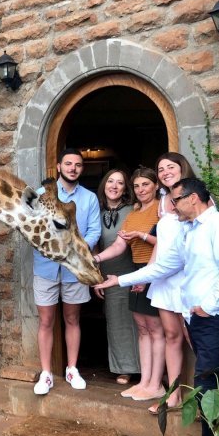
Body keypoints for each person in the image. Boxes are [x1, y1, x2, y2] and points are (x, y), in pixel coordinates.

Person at [93, 178, 219, 436]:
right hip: (197, 317)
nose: (173, 207)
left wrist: (208, 306)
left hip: (213, 319)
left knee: (207, 389)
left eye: (176, 200)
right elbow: (163, 266)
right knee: (206, 386)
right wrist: (118, 280)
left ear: (193, 198)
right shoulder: (190, 230)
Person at [32, 148, 101, 395]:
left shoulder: (90, 198)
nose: (73, 168)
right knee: (46, 321)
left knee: (72, 319)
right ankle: (46, 373)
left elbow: (95, 231)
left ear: (82, 169)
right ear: (59, 166)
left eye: (78, 165)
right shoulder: (41, 195)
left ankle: (72, 368)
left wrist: (76, 248)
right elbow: (30, 227)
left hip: (75, 269)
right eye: (68, 164)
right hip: (45, 268)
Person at [92, 168, 162, 401]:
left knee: (158, 330)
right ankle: (146, 382)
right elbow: (118, 245)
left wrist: (141, 238)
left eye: (146, 185)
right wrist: (95, 261)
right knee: (143, 327)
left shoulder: (161, 207)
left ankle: (158, 383)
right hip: (131, 275)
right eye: (138, 186)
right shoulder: (132, 214)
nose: (141, 190)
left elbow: (166, 242)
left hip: (147, 272)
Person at [144, 152, 197, 413]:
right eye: (161, 168)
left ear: (182, 168)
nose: (165, 171)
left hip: (187, 279)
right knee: (172, 336)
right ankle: (173, 396)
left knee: (194, 338)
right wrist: (147, 273)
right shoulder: (162, 201)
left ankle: (203, 398)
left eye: (170, 167)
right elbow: (161, 244)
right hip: (164, 279)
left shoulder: (197, 195)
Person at [94, 169, 140, 385]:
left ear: (125, 188)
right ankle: (124, 367)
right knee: (116, 322)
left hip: (131, 272)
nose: (114, 186)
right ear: (104, 185)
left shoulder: (133, 210)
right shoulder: (96, 212)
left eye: (120, 183)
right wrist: (96, 278)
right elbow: (93, 244)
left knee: (139, 322)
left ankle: (144, 369)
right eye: (110, 181)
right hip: (106, 274)